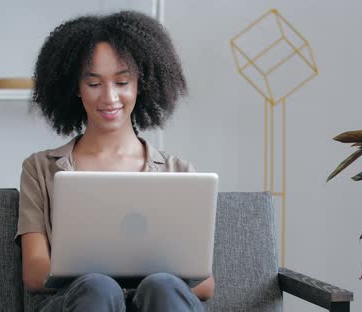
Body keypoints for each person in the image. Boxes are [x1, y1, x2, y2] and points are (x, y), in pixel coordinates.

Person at [15, 11, 213, 312]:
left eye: (122, 82)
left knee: (162, 286)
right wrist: (101, 279)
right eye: (94, 84)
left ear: (141, 85)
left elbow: (205, 285)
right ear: (76, 90)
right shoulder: (40, 169)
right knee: (97, 287)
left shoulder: (180, 173)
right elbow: (33, 273)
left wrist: (142, 278)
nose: (109, 98)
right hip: (80, 303)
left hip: (161, 302)